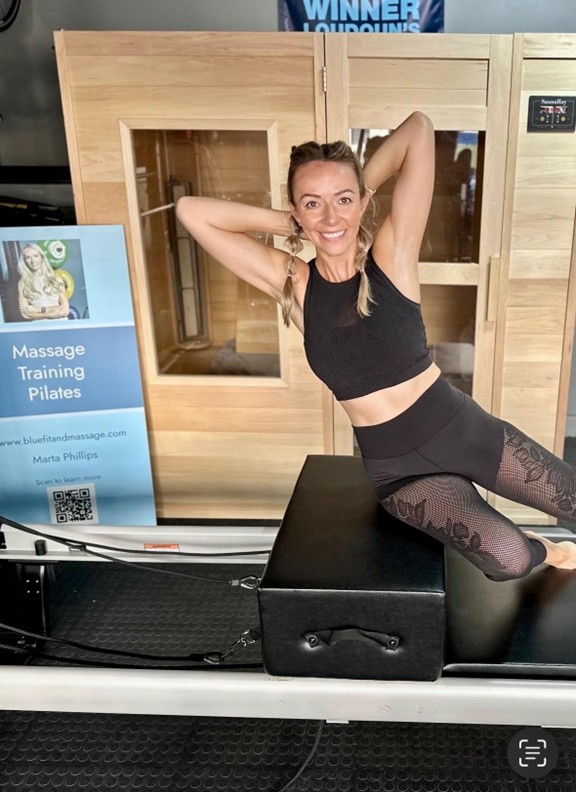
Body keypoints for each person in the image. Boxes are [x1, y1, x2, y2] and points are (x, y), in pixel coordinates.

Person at [176, 111, 576, 581]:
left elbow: (419, 129)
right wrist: (293, 223)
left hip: (464, 433)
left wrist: (356, 194)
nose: (331, 218)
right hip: (400, 473)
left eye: (343, 200)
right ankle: (544, 549)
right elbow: (191, 211)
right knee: (510, 560)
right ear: (295, 209)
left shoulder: (391, 256)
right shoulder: (296, 283)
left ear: (362, 201)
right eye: (313, 203)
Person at [17, 243, 69, 321]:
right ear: (24, 261)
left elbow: (65, 310)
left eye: (36, 256)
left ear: (41, 257)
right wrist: (49, 314)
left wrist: (35, 309)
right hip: (39, 325)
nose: (33, 260)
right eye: (28, 257)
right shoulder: (22, 283)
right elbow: (24, 313)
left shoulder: (56, 279)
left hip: (61, 323)